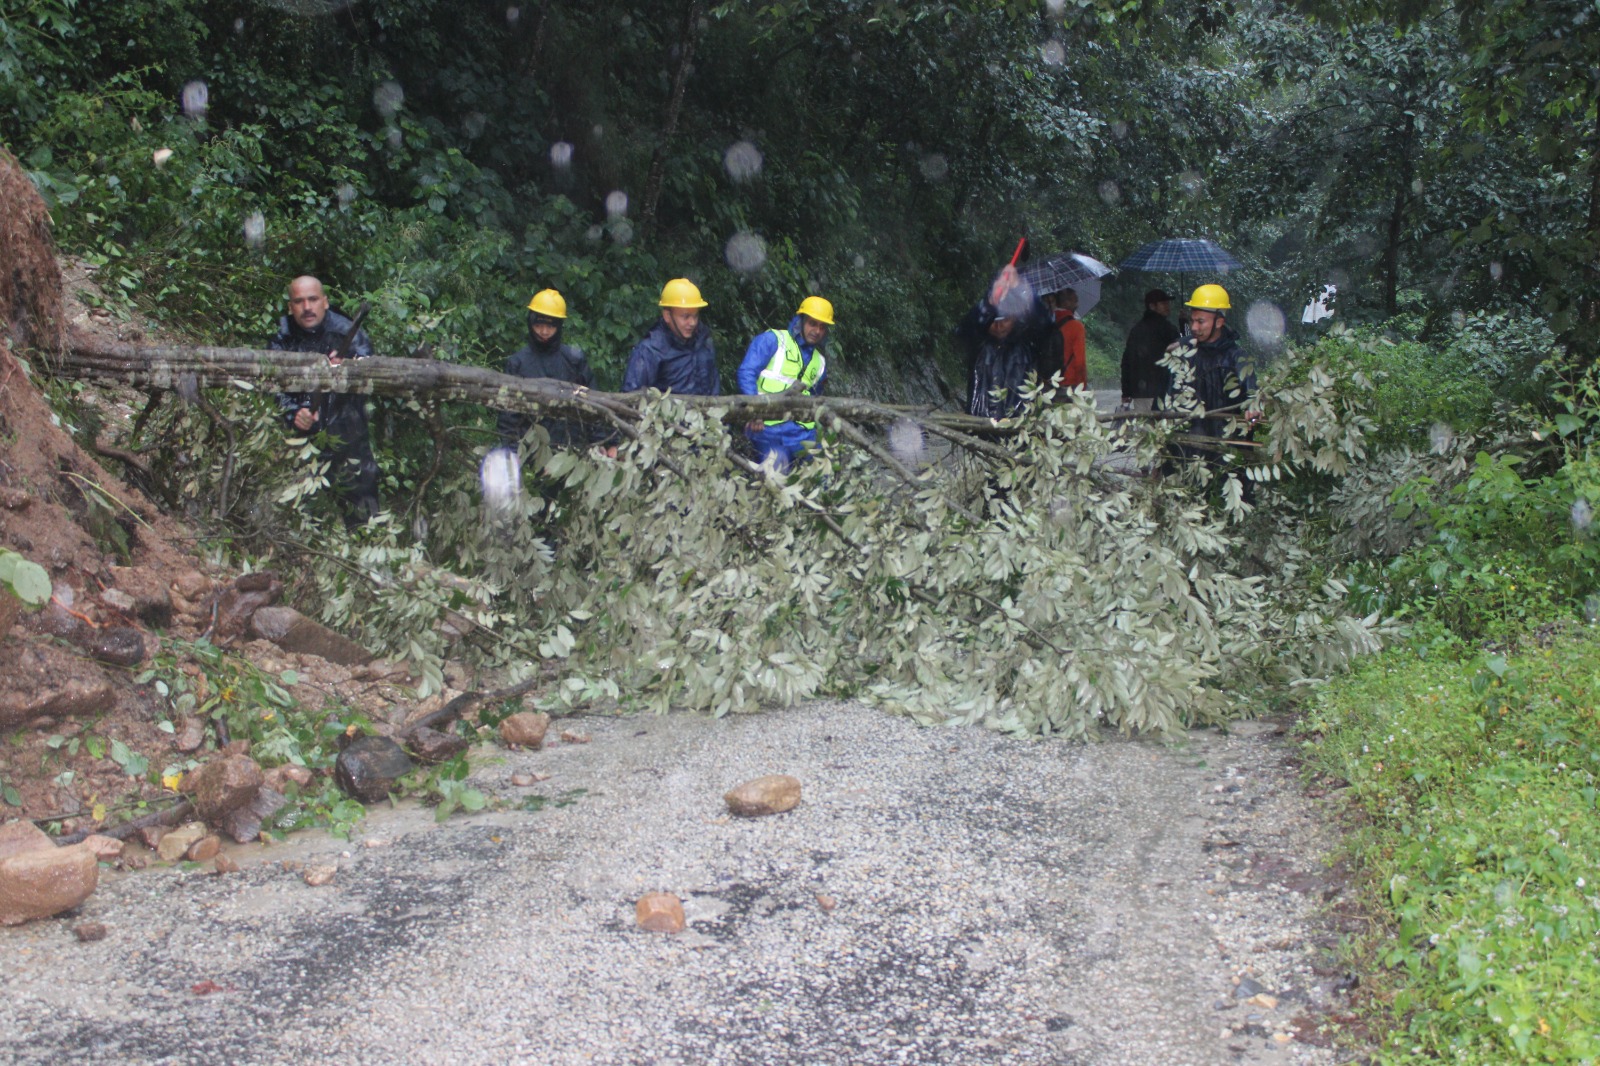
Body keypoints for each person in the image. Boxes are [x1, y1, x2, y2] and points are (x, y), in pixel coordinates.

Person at [270, 275, 380, 524]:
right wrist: (294, 412)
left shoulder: (347, 333)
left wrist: (349, 367)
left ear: (325, 302)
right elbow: (273, 386)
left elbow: (372, 369)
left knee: (365, 520)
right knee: (302, 521)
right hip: (301, 445)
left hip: (349, 440)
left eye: (313, 299)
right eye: (299, 301)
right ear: (290, 307)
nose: (307, 308)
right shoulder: (282, 337)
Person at [1171, 283, 1259, 496]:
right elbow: (1169, 396)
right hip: (1192, 447)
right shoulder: (1185, 353)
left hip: (1227, 449)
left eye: (1201, 321)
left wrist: (1253, 409)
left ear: (1219, 322)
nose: (1194, 327)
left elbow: (1252, 395)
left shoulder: (1237, 357)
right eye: (1193, 320)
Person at [495, 288, 603, 450]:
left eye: (550, 327)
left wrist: (602, 441)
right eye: (539, 325)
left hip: (570, 451)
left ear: (559, 326)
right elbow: (508, 416)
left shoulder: (574, 360)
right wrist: (510, 450)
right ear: (530, 323)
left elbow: (594, 404)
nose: (544, 332)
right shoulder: (518, 363)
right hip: (530, 451)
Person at [737, 296, 833, 470]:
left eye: (822, 326)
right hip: (766, 428)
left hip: (802, 432)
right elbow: (746, 372)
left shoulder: (820, 362)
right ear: (801, 321)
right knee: (778, 469)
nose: (817, 331)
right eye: (812, 323)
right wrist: (753, 411)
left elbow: (815, 398)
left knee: (823, 471)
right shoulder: (773, 340)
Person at [958, 264, 1051, 419]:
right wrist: (988, 303)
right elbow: (963, 330)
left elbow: (1047, 325)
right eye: (993, 321)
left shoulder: (1027, 341)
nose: (999, 326)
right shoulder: (980, 342)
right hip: (981, 421)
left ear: (1015, 317)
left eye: (1005, 320)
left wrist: (1026, 293)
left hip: (1018, 422)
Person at [622, 278, 719, 395]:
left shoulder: (704, 342)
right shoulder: (651, 350)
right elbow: (631, 397)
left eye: (695, 316)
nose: (692, 322)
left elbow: (714, 387)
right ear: (667, 316)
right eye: (685, 316)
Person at [1120, 288, 1179, 412]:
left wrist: (1126, 392)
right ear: (1152, 306)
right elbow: (1183, 352)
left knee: (1143, 429)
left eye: (1167, 303)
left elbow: (1126, 363)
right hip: (1164, 392)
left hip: (1140, 393)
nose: (1167, 306)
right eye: (1163, 303)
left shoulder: (1136, 329)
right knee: (1163, 430)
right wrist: (1184, 323)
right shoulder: (1168, 329)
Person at [1037, 287, 1087, 393]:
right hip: (1068, 383)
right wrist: (1082, 387)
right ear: (1067, 302)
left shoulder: (1045, 323)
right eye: (1075, 301)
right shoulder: (1076, 326)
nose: (1077, 304)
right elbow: (1080, 362)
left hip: (1046, 383)